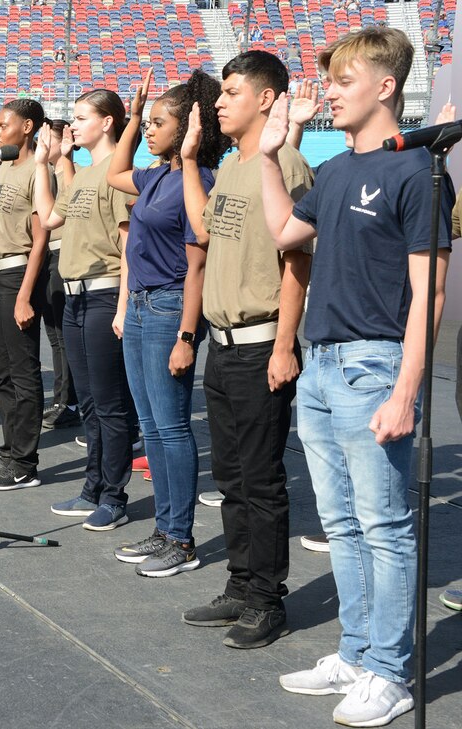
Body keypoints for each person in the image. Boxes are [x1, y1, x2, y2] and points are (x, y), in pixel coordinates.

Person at [261, 27, 452, 726]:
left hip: (375, 366)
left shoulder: (418, 170)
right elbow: (285, 233)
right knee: (341, 523)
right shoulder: (337, 170)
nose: (329, 93)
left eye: (343, 81)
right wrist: (270, 154)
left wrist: (406, 392)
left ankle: (389, 671)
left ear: (385, 86)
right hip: (321, 363)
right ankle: (356, 649)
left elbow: (429, 294)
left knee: (385, 526)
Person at [177, 51, 314, 649]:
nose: (219, 101)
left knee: (261, 480)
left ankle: (266, 598)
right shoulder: (233, 164)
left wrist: (286, 345)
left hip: (262, 344)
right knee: (231, 476)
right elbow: (205, 231)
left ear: (265, 99)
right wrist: (186, 160)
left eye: (231, 91)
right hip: (221, 345)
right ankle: (239, 584)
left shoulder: (285, 164)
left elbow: (297, 264)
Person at [107, 68, 228, 577]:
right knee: (152, 428)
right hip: (138, 307)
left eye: (159, 122)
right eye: (150, 122)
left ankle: (180, 539)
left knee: (173, 427)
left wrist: (185, 334)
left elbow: (198, 263)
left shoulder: (197, 181)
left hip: (168, 309)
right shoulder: (155, 175)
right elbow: (115, 173)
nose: (151, 130)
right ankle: (164, 528)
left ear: (186, 128)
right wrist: (131, 120)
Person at [34, 90, 137, 531]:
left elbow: (130, 245)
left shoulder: (117, 174)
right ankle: (92, 487)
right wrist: (45, 162)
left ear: (108, 122)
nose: (72, 126)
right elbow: (48, 218)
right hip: (73, 298)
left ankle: (114, 497)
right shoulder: (82, 174)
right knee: (91, 403)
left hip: (104, 294)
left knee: (111, 405)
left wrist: (123, 307)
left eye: (80, 118)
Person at [0, 98, 50, 492]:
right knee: (2, 371)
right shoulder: (3, 167)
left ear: (27, 127)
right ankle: (10, 451)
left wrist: (24, 296)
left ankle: (25, 461)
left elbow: (40, 240)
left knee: (23, 372)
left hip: (19, 275)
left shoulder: (39, 171)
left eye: (5, 124)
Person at [38, 120, 80, 431]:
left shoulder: (65, 171)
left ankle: (69, 401)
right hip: (49, 254)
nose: (41, 142)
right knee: (54, 336)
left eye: (45, 138)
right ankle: (60, 398)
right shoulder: (47, 171)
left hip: (63, 251)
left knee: (63, 336)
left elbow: (66, 209)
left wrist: (64, 159)